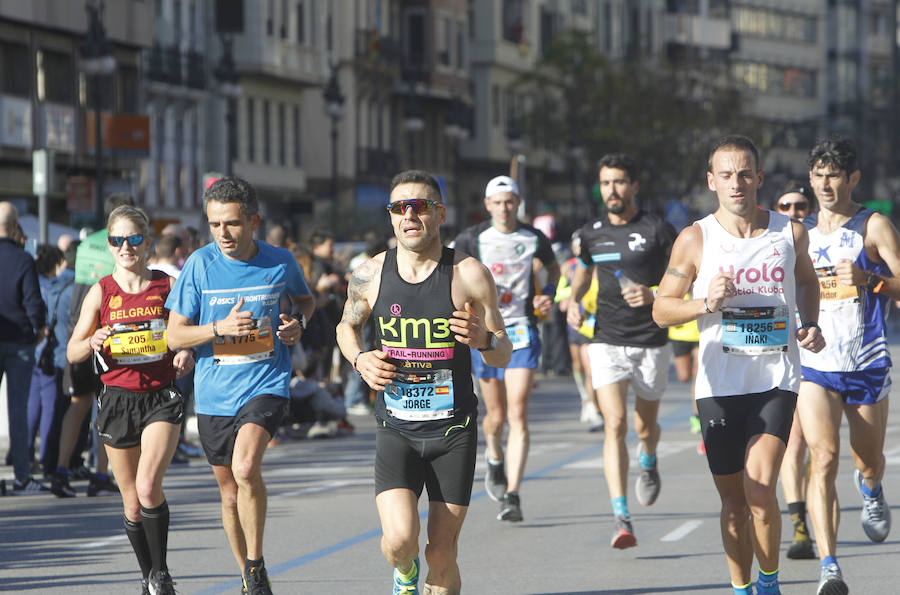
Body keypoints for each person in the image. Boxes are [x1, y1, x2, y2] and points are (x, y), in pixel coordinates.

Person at [652, 135, 824, 595]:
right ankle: (741, 587)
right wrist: (703, 303)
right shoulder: (695, 238)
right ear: (711, 181)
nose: (736, 183)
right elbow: (662, 310)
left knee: (761, 489)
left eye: (745, 173)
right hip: (718, 384)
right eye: (726, 175)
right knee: (733, 504)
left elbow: (807, 281)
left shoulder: (789, 232)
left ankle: (769, 583)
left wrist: (809, 322)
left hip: (776, 379)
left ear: (759, 178)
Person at [335, 169, 512, 594]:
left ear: (440, 214)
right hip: (396, 428)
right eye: (399, 207)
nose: (409, 214)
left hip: (453, 432)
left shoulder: (469, 274)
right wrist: (360, 360)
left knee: (441, 551)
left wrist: (484, 339)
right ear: (391, 217)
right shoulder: (370, 273)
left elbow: (504, 350)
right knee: (400, 543)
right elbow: (345, 328)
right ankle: (405, 575)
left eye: (420, 205)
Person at [166, 177, 313, 595]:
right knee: (229, 492)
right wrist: (219, 327)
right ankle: (250, 576)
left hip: (266, 382)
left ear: (253, 221)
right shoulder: (199, 264)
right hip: (214, 392)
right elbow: (174, 336)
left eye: (231, 223)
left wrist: (297, 325)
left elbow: (305, 301)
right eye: (214, 224)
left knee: (246, 467)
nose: (222, 234)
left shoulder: (280, 261)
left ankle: (255, 560)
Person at [67, 205, 194, 594]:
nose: (126, 247)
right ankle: (149, 575)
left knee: (148, 485)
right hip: (117, 399)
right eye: (117, 240)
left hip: (160, 397)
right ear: (109, 245)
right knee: (132, 504)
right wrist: (91, 342)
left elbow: (187, 335)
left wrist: (186, 353)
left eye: (133, 239)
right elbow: (72, 351)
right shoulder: (101, 290)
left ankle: (161, 575)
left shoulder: (166, 286)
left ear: (147, 243)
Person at [795, 138, 900, 595]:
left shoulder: (872, 226)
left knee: (866, 459)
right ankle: (830, 567)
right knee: (823, 457)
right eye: (818, 175)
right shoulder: (798, 232)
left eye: (833, 174)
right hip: (815, 364)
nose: (825, 184)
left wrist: (870, 279)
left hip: (865, 362)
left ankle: (872, 488)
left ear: (853, 178)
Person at [565, 153, 676, 548]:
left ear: (633, 186)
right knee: (614, 424)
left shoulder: (658, 229)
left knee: (645, 427)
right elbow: (582, 268)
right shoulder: (590, 232)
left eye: (619, 182)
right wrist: (575, 300)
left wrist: (653, 293)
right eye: (606, 183)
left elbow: (685, 275)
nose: (612, 190)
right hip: (606, 340)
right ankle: (621, 516)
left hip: (650, 341)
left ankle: (648, 458)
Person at [453, 175, 560, 522]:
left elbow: (555, 270)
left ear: (518, 203)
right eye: (497, 202)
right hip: (486, 334)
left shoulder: (533, 237)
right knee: (495, 416)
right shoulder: (472, 238)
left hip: (523, 331)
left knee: (518, 413)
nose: (504, 208)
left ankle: (513, 494)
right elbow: (454, 279)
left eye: (510, 201)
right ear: (487, 205)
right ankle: (495, 456)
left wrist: (548, 294)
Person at [52, 194, 135, 498]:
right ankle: (100, 472)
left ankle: (60, 470)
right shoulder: (124, 248)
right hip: (106, 333)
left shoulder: (88, 244)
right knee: (107, 403)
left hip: (79, 331)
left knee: (79, 404)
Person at [770, 181, 818, 560]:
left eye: (800, 205)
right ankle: (800, 526)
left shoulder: (823, 237)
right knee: (795, 442)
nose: (793, 211)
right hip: (792, 355)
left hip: (835, 356)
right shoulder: (772, 240)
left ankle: (868, 481)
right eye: (786, 205)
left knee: (826, 449)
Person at [0, 202, 49, 493]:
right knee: (18, 410)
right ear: (16, 227)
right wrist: (39, 329)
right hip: (19, 341)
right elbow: (33, 301)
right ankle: (21, 475)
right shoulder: (23, 259)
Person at [26, 245, 69, 479]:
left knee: (31, 406)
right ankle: (46, 458)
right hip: (52, 356)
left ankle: (26, 456)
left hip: (32, 353)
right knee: (51, 408)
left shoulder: (33, 283)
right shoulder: (57, 287)